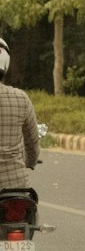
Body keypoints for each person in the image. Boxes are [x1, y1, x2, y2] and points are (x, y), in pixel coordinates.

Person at [0, 38, 40, 190]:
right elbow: (32, 142)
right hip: (16, 187)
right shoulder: (21, 98)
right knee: (29, 210)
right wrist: (30, 161)